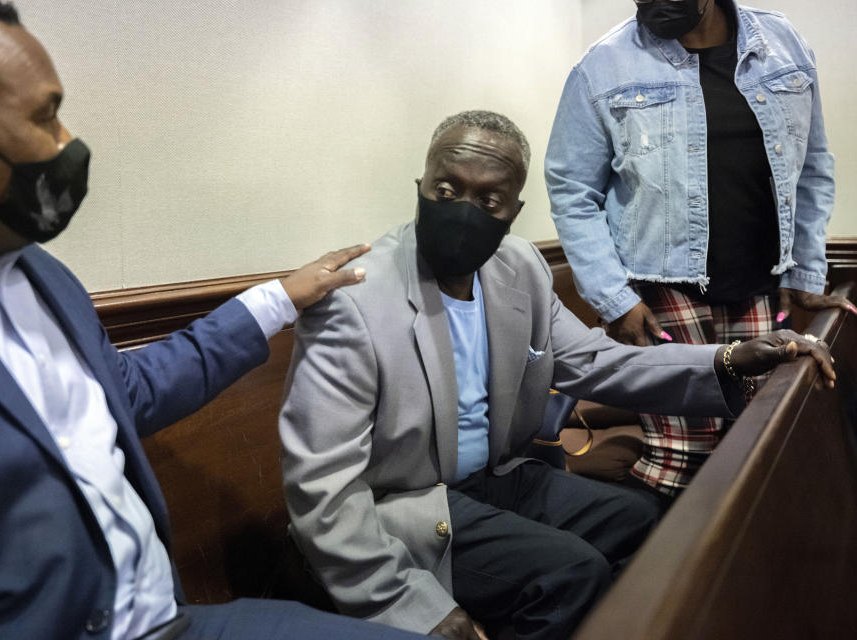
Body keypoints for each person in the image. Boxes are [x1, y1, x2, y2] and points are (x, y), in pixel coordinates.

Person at [0, 2, 429, 639]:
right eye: (45, 116)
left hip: (169, 622)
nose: (68, 143)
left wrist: (280, 298)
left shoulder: (40, 275)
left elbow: (127, 390)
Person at [278, 110, 836, 640]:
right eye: (446, 190)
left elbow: (596, 361)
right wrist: (400, 600)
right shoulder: (354, 299)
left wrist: (731, 357)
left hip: (492, 477)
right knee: (569, 573)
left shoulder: (517, 267)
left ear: (512, 212)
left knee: (640, 517)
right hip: (403, 504)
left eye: (488, 198)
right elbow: (321, 485)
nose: (463, 209)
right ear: (421, 186)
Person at [544, 0, 856, 508]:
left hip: (758, 288)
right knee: (680, 460)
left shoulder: (783, 46)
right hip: (659, 295)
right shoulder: (604, 65)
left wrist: (805, 268)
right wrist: (613, 300)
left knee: (758, 447)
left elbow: (813, 164)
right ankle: (656, 578)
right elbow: (571, 189)